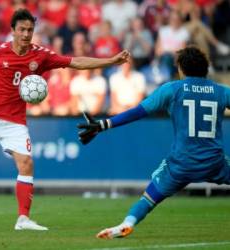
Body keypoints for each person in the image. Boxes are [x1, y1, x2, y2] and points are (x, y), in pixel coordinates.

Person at [0, 8, 131, 231]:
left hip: (15, 121)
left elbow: (76, 62)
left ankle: (23, 219)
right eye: (22, 30)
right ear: (13, 31)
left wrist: (110, 61)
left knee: (26, 163)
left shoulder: (40, 55)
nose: (26, 34)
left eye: (30, 30)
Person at [77, 45, 230, 239]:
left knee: (149, 199)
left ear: (181, 69)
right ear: (206, 68)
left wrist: (103, 125)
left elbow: (138, 112)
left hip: (181, 164)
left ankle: (127, 223)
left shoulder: (173, 89)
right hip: (215, 162)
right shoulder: (222, 91)